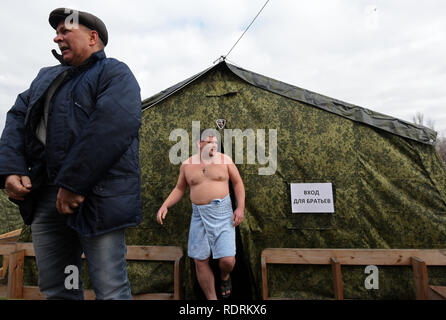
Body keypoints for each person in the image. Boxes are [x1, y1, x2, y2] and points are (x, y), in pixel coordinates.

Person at [0, 8, 142, 300]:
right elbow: (17, 118)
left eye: (66, 31)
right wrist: (11, 169)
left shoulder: (114, 73)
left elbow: (111, 127)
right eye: (56, 32)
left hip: (96, 198)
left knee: (111, 289)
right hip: (45, 199)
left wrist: (73, 184)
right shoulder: (46, 78)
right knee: (60, 288)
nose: (57, 37)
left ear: (92, 37)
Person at [157, 129, 245, 300]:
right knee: (200, 260)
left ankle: (225, 276)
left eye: (215, 142)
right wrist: (165, 205)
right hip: (199, 215)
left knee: (228, 260)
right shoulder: (187, 165)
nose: (214, 145)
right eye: (209, 142)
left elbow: (238, 183)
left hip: (223, 213)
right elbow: (180, 188)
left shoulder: (225, 160)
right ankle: (212, 299)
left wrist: (240, 208)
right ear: (199, 143)